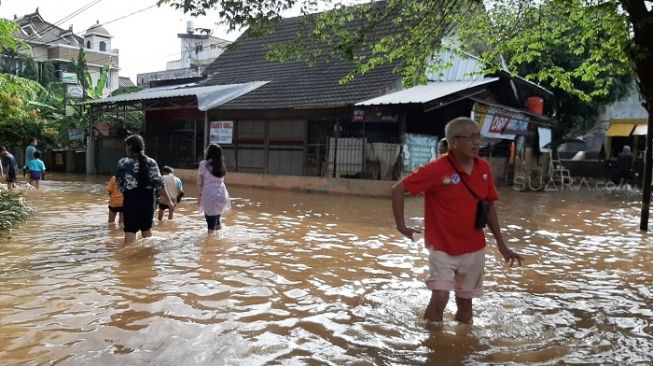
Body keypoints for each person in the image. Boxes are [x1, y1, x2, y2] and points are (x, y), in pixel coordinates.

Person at [392, 117, 523, 324]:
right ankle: (433, 345)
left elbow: (488, 207)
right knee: (440, 297)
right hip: (442, 248)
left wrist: (501, 244)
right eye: (471, 137)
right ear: (454, 142)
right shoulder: (437, 169)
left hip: (474, 249)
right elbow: (398, 189)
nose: (477, 142)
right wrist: (401, 226)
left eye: (478, 136)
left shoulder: (484, 169)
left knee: (465, 304)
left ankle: (461, 349)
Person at [116, 134, 174, 245]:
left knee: (130, 230)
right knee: (146, 230)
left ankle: (128, 259)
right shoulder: (151, 162)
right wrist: (169, 201)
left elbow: (119, 185)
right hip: (148, 200)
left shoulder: (123, 163)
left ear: (130, 147)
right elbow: (159, 184)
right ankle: (148, 257)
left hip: (131, 199)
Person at [198, 144, 231, 234]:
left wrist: (200, 195)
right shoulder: (221, 165)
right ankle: (219, 240)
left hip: (209, 195)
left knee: (210, 224)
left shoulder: (203, 164)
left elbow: (200, 183)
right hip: (222, 194)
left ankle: (210, 244)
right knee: (217, 219)